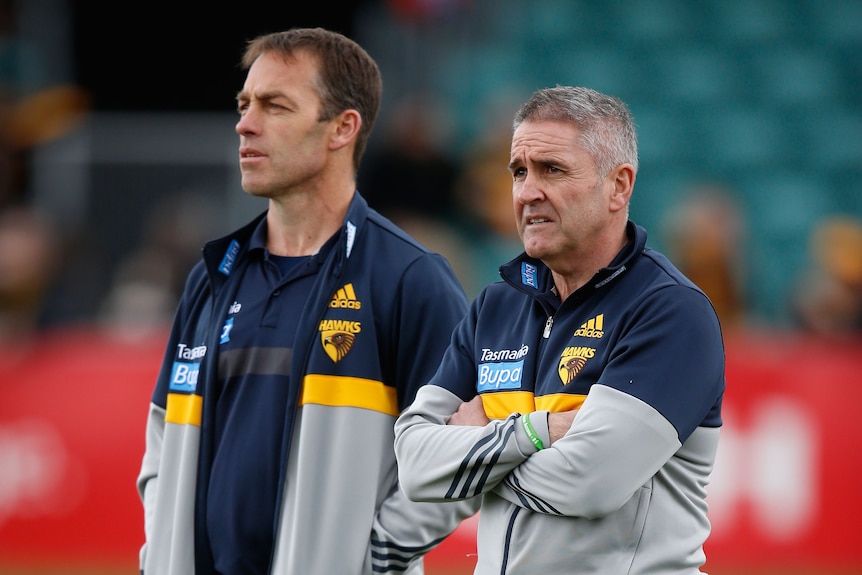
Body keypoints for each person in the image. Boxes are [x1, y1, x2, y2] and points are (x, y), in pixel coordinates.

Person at [136, 27, 477, 575]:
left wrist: (375, 555)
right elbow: (162, 441)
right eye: (245, 104)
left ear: (343, 128)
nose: (246, 124)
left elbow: (468, 447)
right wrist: (162, 554)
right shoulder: (212, 275)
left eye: (275, 106)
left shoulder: (410, 278)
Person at [394, 86, 726, 574]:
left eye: (552, 170)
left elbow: (588, 484)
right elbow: (414, 465)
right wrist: (538, 431)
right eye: (519, 172)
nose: (528, 191)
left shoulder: (670, 311)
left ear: (619, 186)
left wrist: (474, 458)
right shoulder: (496, 306)